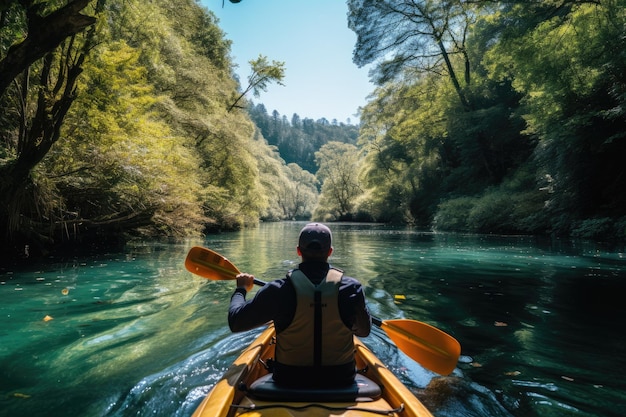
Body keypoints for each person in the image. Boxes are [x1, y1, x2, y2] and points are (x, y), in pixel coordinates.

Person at [228, 223, 371, 388]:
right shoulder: (351, 288)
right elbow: (364, 331)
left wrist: (241, 289)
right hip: (341, 379)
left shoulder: (277, 289)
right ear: (330, 252)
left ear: (298, 251)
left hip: (288, 379)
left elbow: (236, 322)